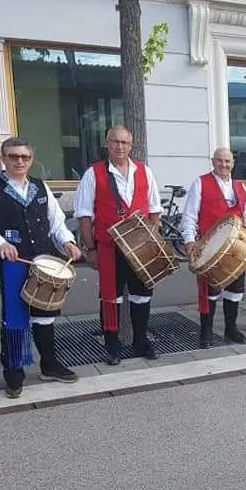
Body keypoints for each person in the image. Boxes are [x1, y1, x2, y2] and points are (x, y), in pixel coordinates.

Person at [0, 137, 83, 399]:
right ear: (3, 159)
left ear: (31, 160)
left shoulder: (41, 187)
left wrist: (68, 242)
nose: (19, 161)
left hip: (44, 261)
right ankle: (14, 373)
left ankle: (49, 364)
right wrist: (0, 243)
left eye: (24, 157)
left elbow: (56, 223)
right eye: (13, 156)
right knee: (15, 317)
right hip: (13, 265)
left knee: (45, 312)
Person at [74, 125, 164, 365]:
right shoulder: (93, 174)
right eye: (115, 141)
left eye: (124, 142)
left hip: (140, 249)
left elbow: (155, 211)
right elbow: (84, 215)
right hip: (108, 248)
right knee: (110, 298)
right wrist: (90, 249)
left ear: (131, 145)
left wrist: (151, 243)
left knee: (142, 296)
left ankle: (141, 341)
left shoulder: (145, 172)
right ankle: (112, 346)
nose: (119, 146)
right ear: (107, 143)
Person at [180, 147, 246, 346]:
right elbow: (189, 216)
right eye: (220, 161)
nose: (224, 165)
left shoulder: (241, 188)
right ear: (213, 162)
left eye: (228, 162)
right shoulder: (200, 183)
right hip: (209, 248)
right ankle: (206, 331)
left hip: (236, 248)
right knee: (210, 291)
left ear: (233, 164)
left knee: (235, 289)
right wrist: (189, 242)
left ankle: (231, 329)